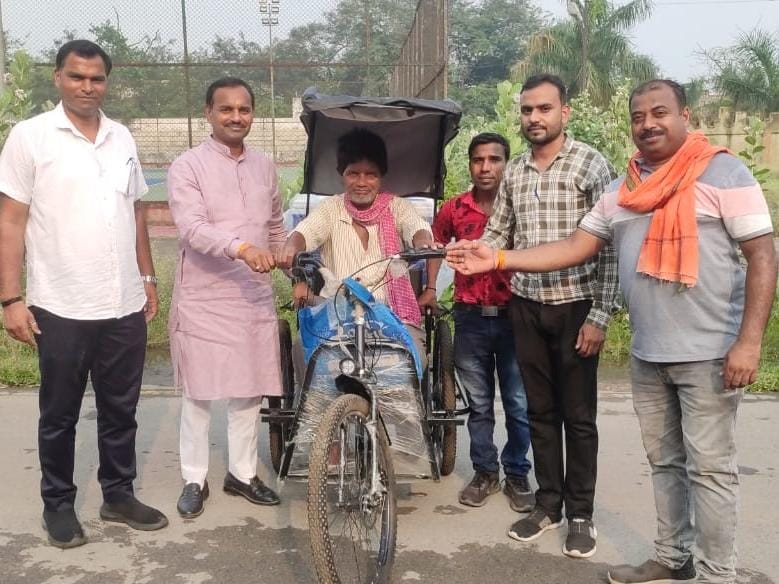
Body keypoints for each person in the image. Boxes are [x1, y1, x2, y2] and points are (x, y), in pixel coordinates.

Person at [447, 79, 777, 584]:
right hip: (647, 351)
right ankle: (672, 556)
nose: (648, 124)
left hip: (708, 351)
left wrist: (749, 343)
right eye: (638, 116)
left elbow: (762, 256)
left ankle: (717, 575)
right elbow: (576, 245)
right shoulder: (625, 188)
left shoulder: (722, 172)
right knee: (664, 462)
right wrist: (496, 258)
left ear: (685, 116)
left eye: (660, 113)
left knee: (710, 470)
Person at [0, 40, 168, 548]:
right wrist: (11, 299)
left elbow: (135, 211)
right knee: (59, 414)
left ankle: (118, 494)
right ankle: (58, 504)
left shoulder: (121, 136)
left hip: (122, 303)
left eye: (96, 78)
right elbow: (11, 221)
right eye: (77, 76)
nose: (87, 87)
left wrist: (147, 278)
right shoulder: (30, 137)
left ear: (106, 82)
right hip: (61, 303)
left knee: (121, 409)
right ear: (58, 78)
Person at [475, 74, 619, 559]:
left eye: (544, 109)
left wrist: (600, 314)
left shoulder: (591, 164)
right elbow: (499, 231)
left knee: (578, 416)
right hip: (527, 305)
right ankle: (548, 504)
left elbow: (611, 246)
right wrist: (474, 250)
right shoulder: (515, 170)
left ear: (564, 112)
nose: (534, 118)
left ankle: (580, 512)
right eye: (527, 110)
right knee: (539, 411)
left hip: (576, 306)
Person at [167, 77, 284, 518]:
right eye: (226, 109)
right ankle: (193, 478)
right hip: (205, 293)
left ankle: (242, 473)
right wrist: (242, 249)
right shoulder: (188, 166)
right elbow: (192, 229)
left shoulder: (265, 166)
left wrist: (288, 258)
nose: (236, 117)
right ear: (208, 113)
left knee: (249, 389)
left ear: (252, 114)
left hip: (252, 293)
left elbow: (275, 226)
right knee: (199, 392)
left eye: (244, 109)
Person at [419, 133, 533, 512]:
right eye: (478, 160)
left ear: (507, 164)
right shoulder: (455, 208)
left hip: (516, 315)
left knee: (518, 402)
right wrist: (430, 289)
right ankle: (485, 472)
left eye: (494, 160)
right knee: (479, 404)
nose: (486, 168)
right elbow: (435, 245)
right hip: (470, 318)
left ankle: (517, 472)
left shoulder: (521, 207)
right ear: (469, 165)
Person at [278, 128, 434, 358]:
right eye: (353, 173)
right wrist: (291, 247)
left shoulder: (397, 208)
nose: (362, 182)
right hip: (336, 313)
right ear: (342, 174)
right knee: (303, 351)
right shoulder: (331, 209)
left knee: (414, 357)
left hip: (391, 314)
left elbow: (416, 228)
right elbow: (305, 232)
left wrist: (423, 242)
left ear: (381, 176)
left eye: (371, 174)